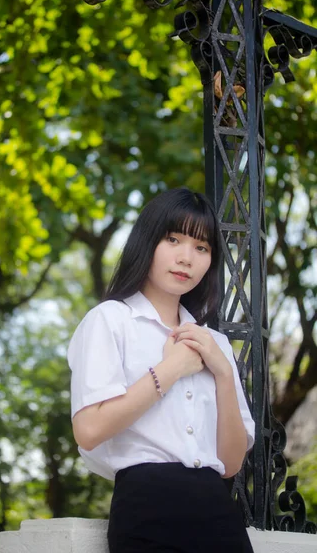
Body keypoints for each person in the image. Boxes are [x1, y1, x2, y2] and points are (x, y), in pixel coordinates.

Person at [67, 187, 255, 553]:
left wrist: (223, 374)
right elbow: (88, 430)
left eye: (202, 248)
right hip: (147, 509)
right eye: (174, 239)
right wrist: (170, 370)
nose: (187, 258)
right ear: (148, 241)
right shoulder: (109, 321)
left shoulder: (214, 343)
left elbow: (230, 463)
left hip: (219, 516)